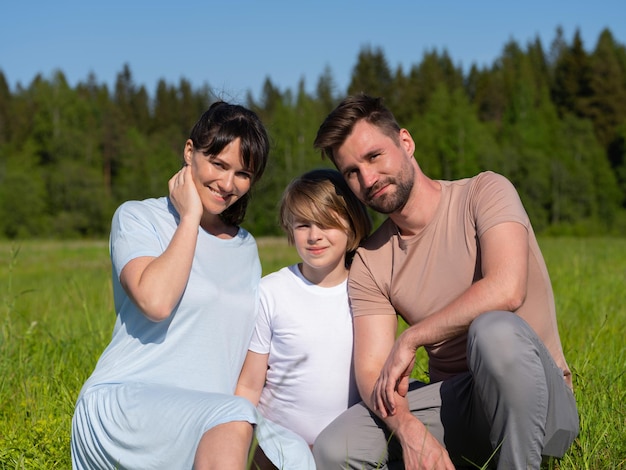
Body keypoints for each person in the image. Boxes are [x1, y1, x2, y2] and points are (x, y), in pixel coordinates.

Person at [311, 94, 579, 469]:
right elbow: (373, 373)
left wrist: (413, 337)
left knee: (493, 330)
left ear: (405, 142)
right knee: (334, 447)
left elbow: (508, 287)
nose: (367, 179)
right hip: (460, 406)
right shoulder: (371, 261)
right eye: (352, 172)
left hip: (540, 405)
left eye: (374, 157)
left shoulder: (484, 192)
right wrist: (409, 430)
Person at [71, 101, 313, 470]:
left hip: (208, 417)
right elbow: (156, 301)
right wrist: (190, 217)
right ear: (189, 153)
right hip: (126, 403)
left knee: (293, 453)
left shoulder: (246, 246)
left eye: (243, 173)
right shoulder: (138, 217)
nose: (228, 184)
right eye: (218, 164)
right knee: (234, 415)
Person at [236, 168, 372, 460]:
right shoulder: (270, 292)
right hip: (276, 447)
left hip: (347, 449)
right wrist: (238, 446)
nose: (314, 236)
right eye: (302, 225)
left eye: (326, 224)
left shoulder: (368, 291)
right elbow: (249, 384)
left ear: (352, 227)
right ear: (289, 229)